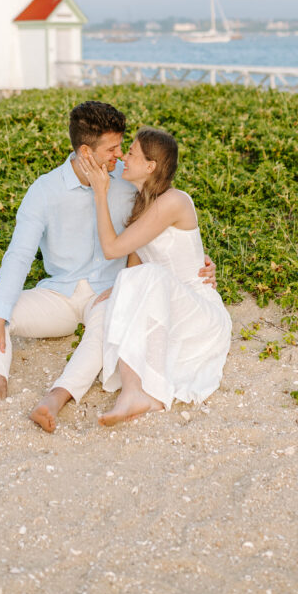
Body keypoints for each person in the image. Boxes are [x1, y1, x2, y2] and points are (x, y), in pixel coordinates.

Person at [0, 101, 216, 419]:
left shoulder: (129, 181)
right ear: (86, 152)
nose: (119, 155)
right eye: (112, 148)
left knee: (106, 325)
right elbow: (19, 256)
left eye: (122, 147)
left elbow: (165, 229)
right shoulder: (44, 191)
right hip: (60, 294)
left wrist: (197, 265)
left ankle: (55, 399)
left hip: (110, 291)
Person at [74, 126, 232, 426]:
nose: (123, 157)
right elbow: (133, 268)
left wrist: (100, 192)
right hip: (170, 301)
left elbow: (111, 249)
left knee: (147, 276)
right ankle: (78, 389)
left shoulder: (175, 201)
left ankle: (138, 393)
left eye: (131, 153)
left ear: (150, 166)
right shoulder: (143, 206)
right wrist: (114, 292)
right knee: (107, 300)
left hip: (200, 312)